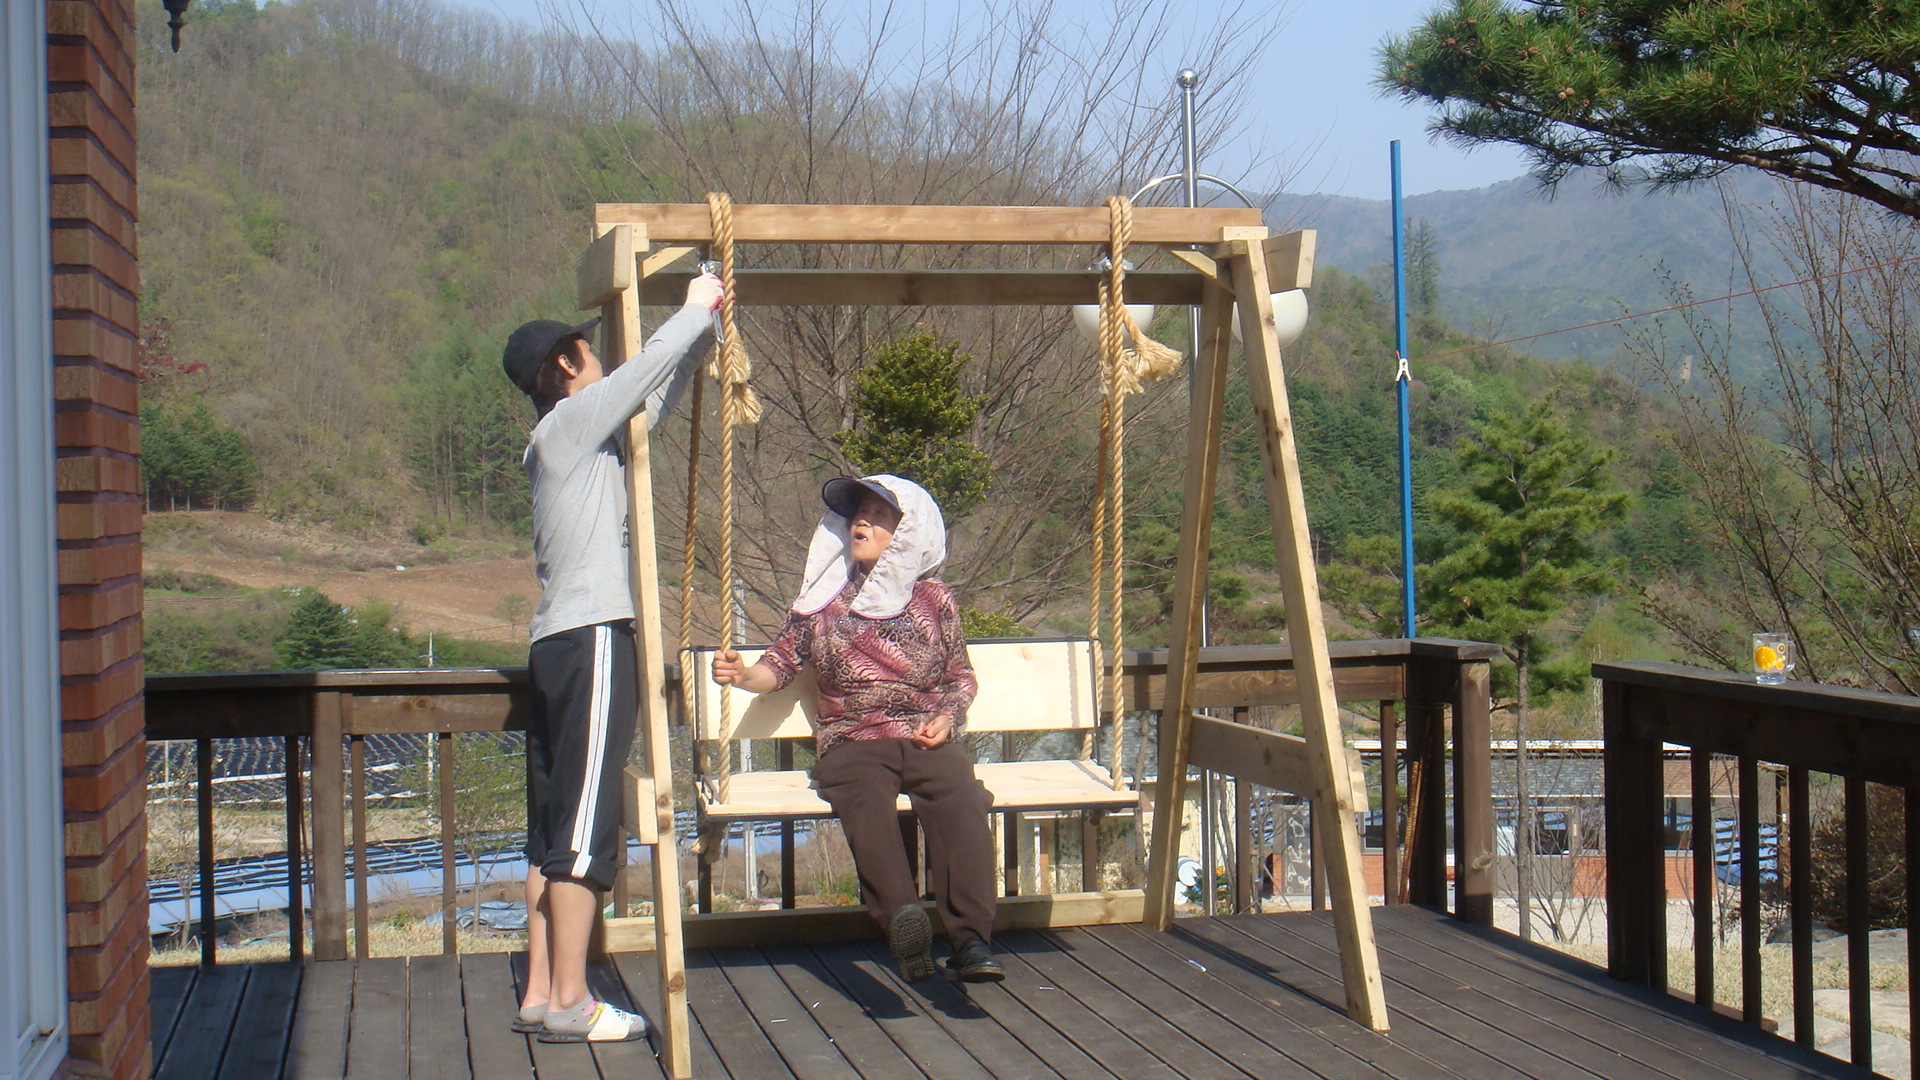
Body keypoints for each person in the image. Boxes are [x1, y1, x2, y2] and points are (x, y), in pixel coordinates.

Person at [501, 271, 722, 1043]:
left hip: (558, 642)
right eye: (588, 350)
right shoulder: (571, 422)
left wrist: (701, 340)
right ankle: (572, 1000)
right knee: (584, 826)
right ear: (566, 365)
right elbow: (641, 374)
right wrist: (693, 309)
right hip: (595, 636)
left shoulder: (572, 441)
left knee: (553, 827)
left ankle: (540, 992)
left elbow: (649, 399)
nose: (598, 358)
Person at [711, 474, 1005, 983]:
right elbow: (778, 666)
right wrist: (741, 675)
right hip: (852, 738)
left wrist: (948, 717)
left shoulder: (933, 597)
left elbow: (960, 676)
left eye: (879, 515)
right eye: (858, 514)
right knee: (865, 799)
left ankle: (972, 942)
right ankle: (903, 920)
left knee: (961, 795)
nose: (861, 523)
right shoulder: (823, 599)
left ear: (907, 534)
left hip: (924, 733)